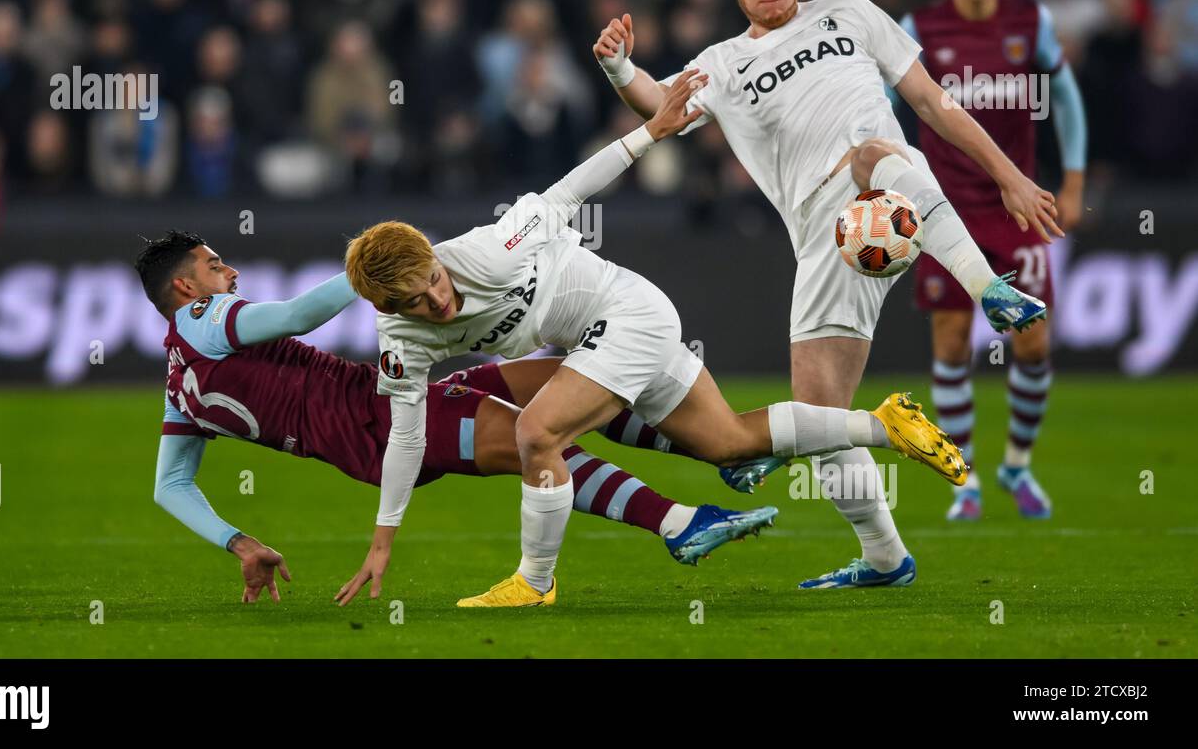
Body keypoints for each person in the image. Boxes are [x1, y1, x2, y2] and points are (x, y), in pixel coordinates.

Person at [341, 72, 965, 609]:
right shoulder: (401, 335)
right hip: (613, 332)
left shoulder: (488, 251)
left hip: (627, 313)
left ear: (433, 258)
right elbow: (408, 432)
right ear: (386, 307)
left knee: (536, 433)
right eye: (417, 303)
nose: (437, 302)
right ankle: (884, 428)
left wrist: (652, 131)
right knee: (730, 444)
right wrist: (381, 538)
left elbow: (568, 190)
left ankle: (534, 583)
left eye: (434, 282)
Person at [592, 0, 1058, 588]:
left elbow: (933, 102)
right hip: (824, 241)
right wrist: (618, 66)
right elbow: (660, 107)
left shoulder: (851, 14)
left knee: (875, 150)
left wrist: (1009, 176)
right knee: (820, 419)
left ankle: (989, 286)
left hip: (882, 197)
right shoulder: (722, 64)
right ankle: (885, 558)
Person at [135, 230, 783, 603]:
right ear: (185, 290)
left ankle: (720, 450)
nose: (231, 271)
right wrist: (377, 269)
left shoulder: (178, 383)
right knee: (542, 437)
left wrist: (239, 543)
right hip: (381, 422)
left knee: (547, 383)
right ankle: (678, 522)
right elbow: (299, 316)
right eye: (215, 265)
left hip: (368, 424)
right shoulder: (203, 318)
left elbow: (169, 487)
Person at [896, 0, 1088, 520]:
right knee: (952, 345)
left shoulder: (1029, 22)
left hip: (1019, 208)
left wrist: (1075, 179)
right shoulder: (919, 26)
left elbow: (1066, 97)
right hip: (945, 211)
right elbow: (880, 107)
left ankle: (1017, 465)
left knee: (1032, 345)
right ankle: (968, 480)